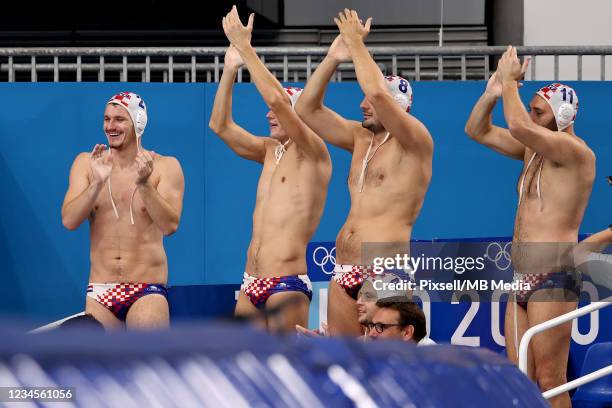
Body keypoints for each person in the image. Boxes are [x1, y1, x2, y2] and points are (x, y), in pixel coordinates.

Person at [465, 46, 595, 407]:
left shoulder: (576, 153)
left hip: (553, 275)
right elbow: (476, 129)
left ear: (563, 114)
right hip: (521, 274)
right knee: (519, 377)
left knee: (552, 379)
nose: (532, 116)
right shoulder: (532, 150)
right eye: (532, 109)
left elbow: (518, 124)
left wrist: (510, 83)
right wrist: (493, 91)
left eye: (539, 111)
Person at [295, 9, 433, 336]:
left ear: (393, 107)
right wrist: (333, 57)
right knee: (347, 362)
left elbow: (378, 93)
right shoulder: (361, 139)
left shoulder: (415, 142)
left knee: (383, 366)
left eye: (369, 101)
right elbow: (306, 109)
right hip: (344, 269)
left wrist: (358, 45)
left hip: (385, 270)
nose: (362, 105)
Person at [210, 6, 332, 332]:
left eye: (277, 113)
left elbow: (278, 102)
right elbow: (220, 126)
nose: (269, 116)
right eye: (269, 113)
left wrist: (247, 49)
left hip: (286, 282)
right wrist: (230, 69)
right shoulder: (269, 150)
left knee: (286, 367)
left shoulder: (313, 151)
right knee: (247, 369)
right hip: (251, 282)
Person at [62, 92, 185, 330]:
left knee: (147, 363)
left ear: (138, 123)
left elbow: (170, 225)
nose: (110, 126)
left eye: (119, 119)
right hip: (100, 291)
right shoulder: (87, 164)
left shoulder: (165, 167)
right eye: (107, 119)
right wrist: (96, 183)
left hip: (146, 289)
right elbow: (69, 220)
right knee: (100, 366)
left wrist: (144, 185)